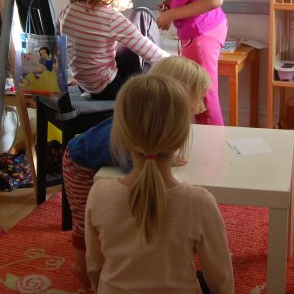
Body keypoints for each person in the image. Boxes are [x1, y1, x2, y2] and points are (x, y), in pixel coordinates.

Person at [63, 56, 210, 287]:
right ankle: (80, 265)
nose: (201, 107)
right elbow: (133, 160)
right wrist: (164, 159)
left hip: (106, 158)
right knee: (84, 220)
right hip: (79, 165)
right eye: (197, 98)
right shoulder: (134, 129)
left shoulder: (150, 118)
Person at [84, 75, 234, 293]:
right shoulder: (199, 203)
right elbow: (221, 278)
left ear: (120, 134)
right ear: (182, 136)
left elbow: (94, 267)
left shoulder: (99, 194)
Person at [59, 0, 169, 100]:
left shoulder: (68, 10)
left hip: (84, 84)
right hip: (109, 88)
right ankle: (159, 82)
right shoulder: (110, 18)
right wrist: (180, 66)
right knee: (142, 15)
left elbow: (61, 39)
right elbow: (151, 53)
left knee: (134, 25)